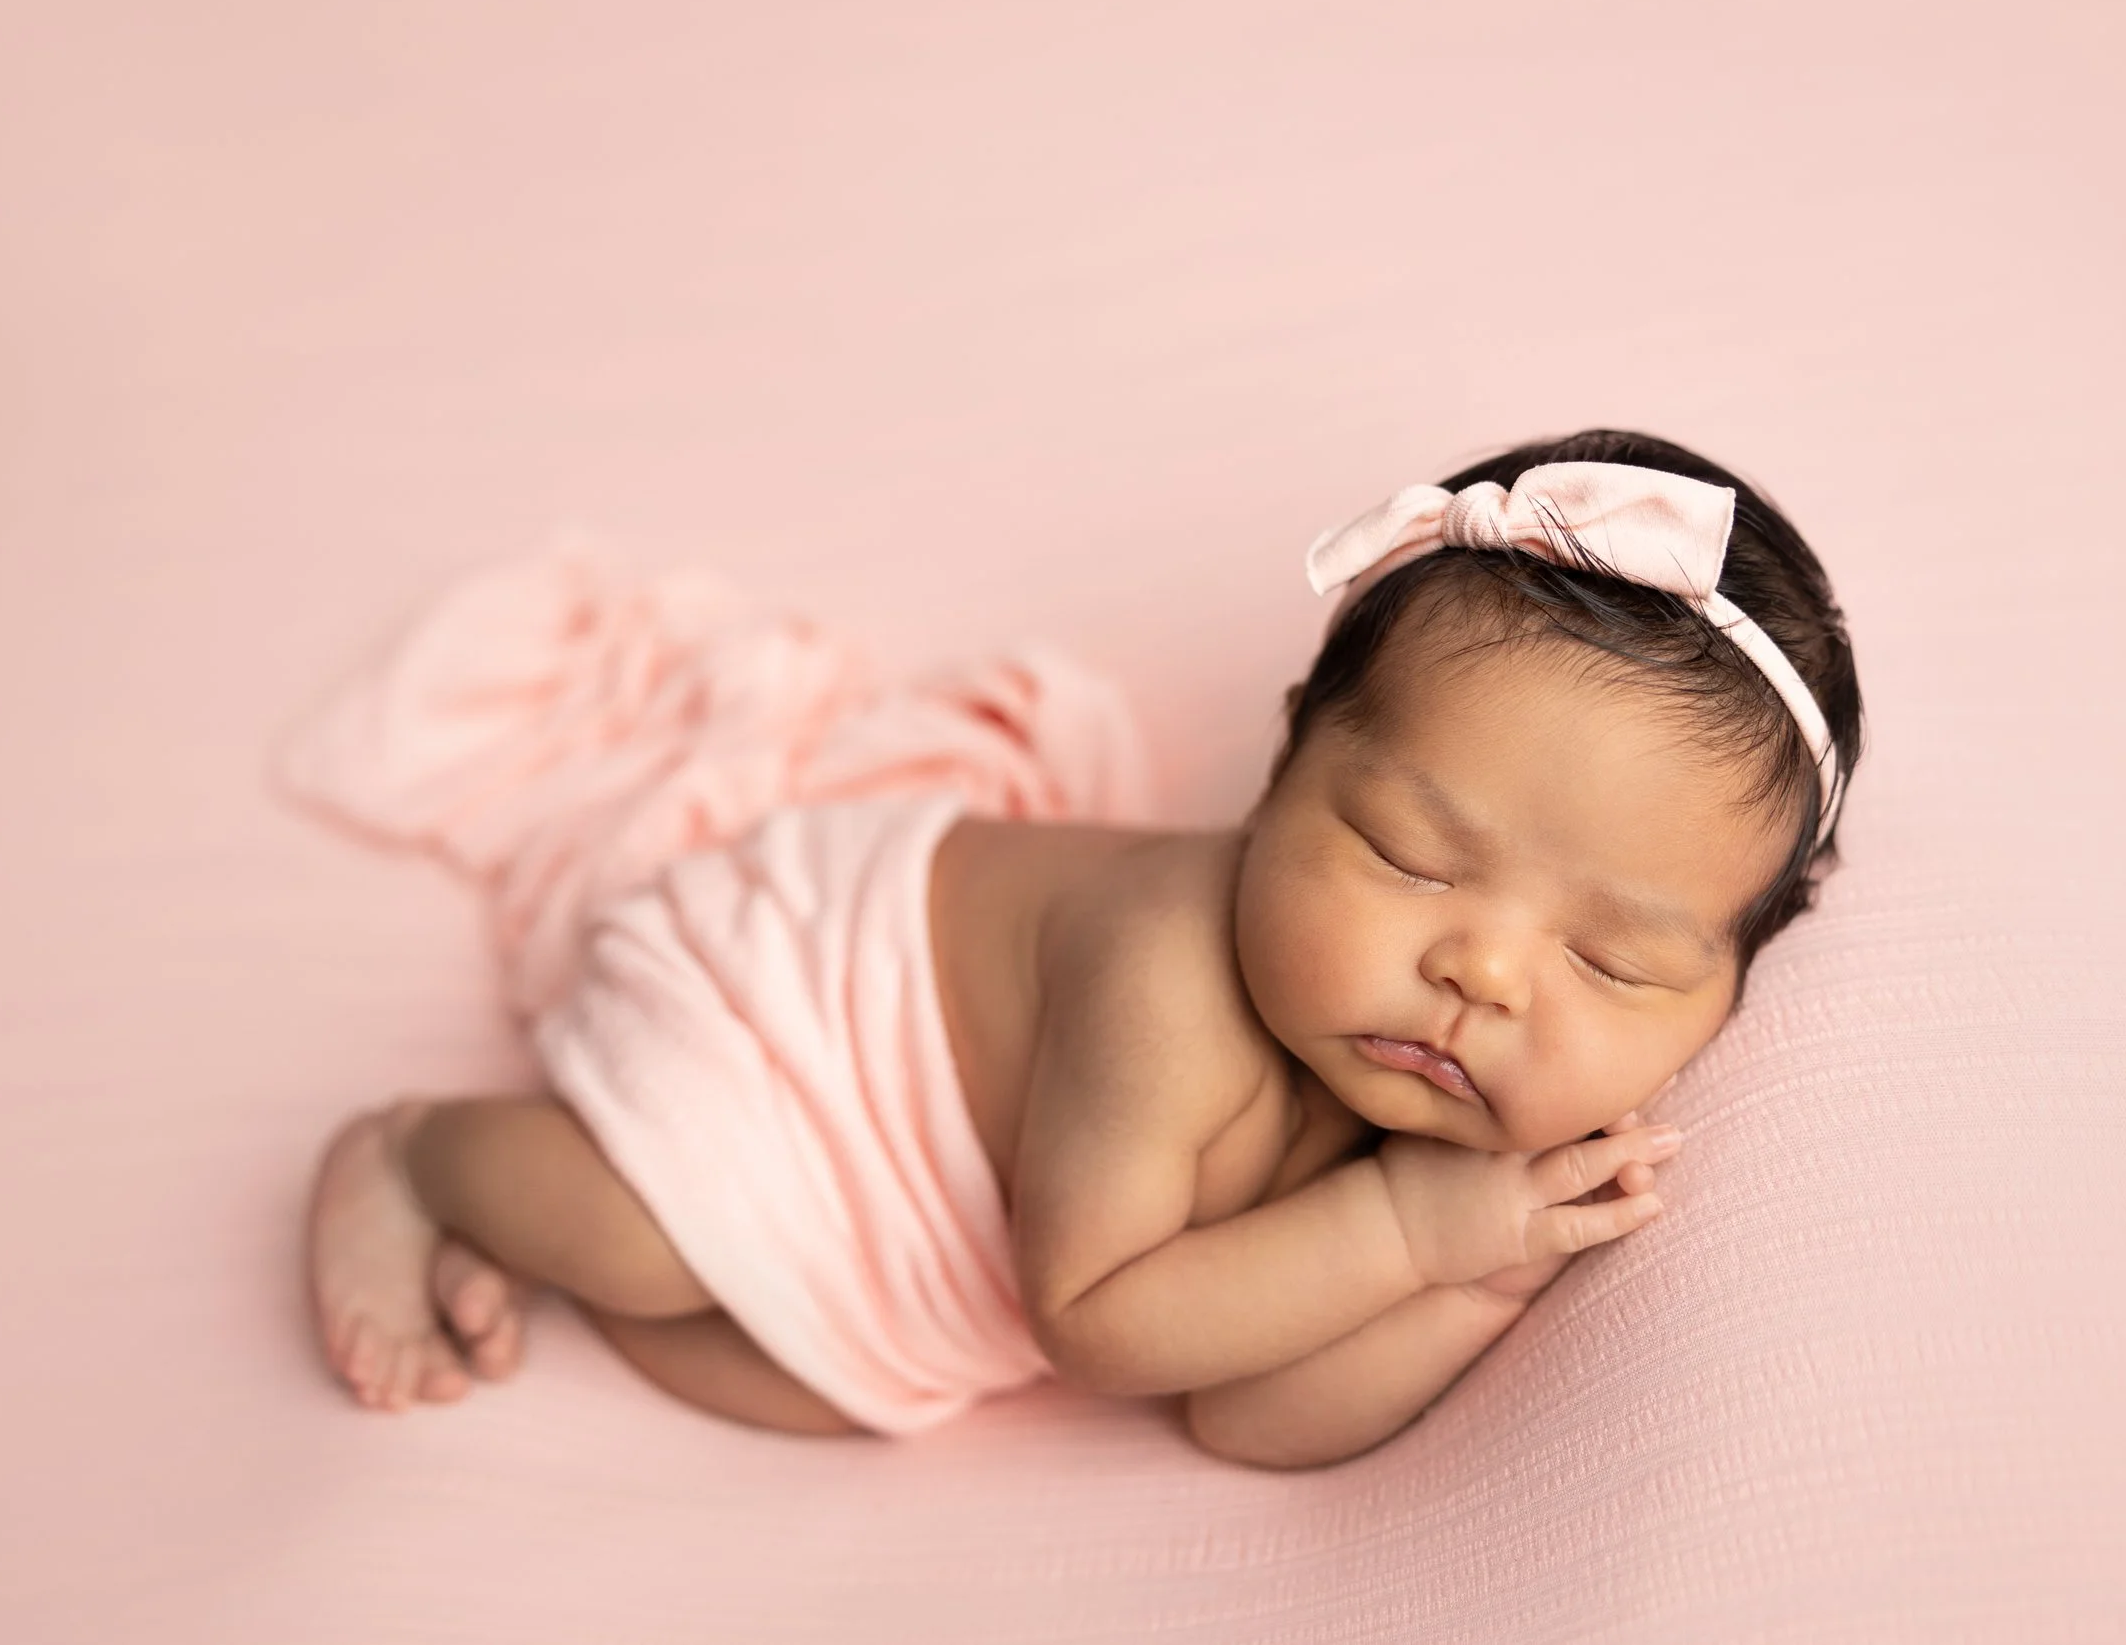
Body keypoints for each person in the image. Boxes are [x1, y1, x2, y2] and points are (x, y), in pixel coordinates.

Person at [299, 427, 1864, 1470]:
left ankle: (548, 1215)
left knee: (783, 1381)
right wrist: (1400, 1231)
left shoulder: (1449, 1104)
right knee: (643, 1247)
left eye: (1614, 961)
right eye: (1408, 854)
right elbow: (1101, 1320)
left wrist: (1475, 1270)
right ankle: (426, 1156)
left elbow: (1246, 1417)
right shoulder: (1168, 976)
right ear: (1283, 767)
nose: (1487, 974)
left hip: (992, 1168)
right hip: (804, 1009)